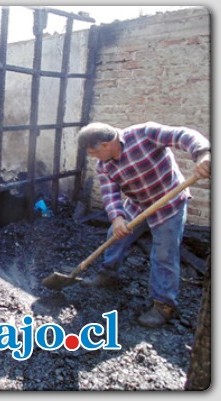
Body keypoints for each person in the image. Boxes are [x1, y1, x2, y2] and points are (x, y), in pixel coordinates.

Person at [77, 121, 210, 328]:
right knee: (115, 234)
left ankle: (164, 305)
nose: (92, 156)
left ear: (106, 144)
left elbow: (184, 135)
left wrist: (203, 155)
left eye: (93, 152)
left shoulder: (145, 134)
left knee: (164, 254)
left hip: (169, 204)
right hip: (139, 204)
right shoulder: (104, 165)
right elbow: (110, 195)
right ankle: (108, 274)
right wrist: (118, 218)